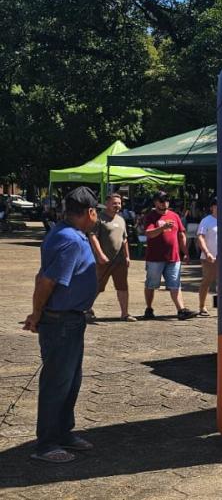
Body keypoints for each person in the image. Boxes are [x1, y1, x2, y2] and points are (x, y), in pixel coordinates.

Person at [22, 187, 100, 464]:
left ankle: (63, 432)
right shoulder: (71, 241)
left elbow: (41, 276)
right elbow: (46, 281)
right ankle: (46, 444)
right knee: (57, 383)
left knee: (71, 381)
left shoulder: (66, 233)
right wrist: (36, 313)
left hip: (71, 319)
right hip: (62, 321)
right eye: (96, 212)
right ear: (89, 212)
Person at [141, 190, 194, 319]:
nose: (165, 203)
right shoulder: (150, 216)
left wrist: (185, 252)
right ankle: (149, 308)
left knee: (175, 284)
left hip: (174, 257)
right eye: (161, 200)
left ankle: (181, 310)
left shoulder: (174, 216)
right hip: (155, 258)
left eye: (166, 200)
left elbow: (181, 234)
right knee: (151, 284)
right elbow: (149, 233)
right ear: (155, 202)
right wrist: (162, 228)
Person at [89, 191, 135, 321]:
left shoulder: (121, 220)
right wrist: (100, 255)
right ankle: (85, 309)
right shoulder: (99, 218)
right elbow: (93, 237)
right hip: (103, 261)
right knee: (97, 286)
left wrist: (127, 256)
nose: (117, 205)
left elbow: (124, 239)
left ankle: (125, 314)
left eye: (119, 203)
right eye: (114, 203)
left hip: (119, 261)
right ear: (107, 204)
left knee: (123, 286)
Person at [196, 197, 218, 317]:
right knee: (207, 281)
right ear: (212, 207)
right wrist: (207, 252)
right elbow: (200, 237)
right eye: (216, 205)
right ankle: (202, 306)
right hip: (209, 257)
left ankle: (220, 306)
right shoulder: (206, 220)